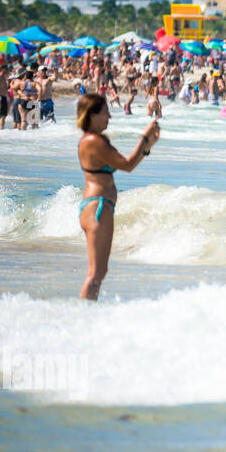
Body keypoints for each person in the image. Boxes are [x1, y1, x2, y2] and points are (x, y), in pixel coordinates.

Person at [75, 93, 160, 300]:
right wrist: (144, 138)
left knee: (100, 272)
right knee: (95, 273)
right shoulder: (92, 141)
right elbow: (127, 165)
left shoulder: (93, 140)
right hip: (98, 207)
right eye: (105, 112)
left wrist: (147, 146)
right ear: (92, 115)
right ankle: (80, 317)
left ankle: (85, 314)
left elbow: (127, 164)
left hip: (99, 206)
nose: (109, 117)